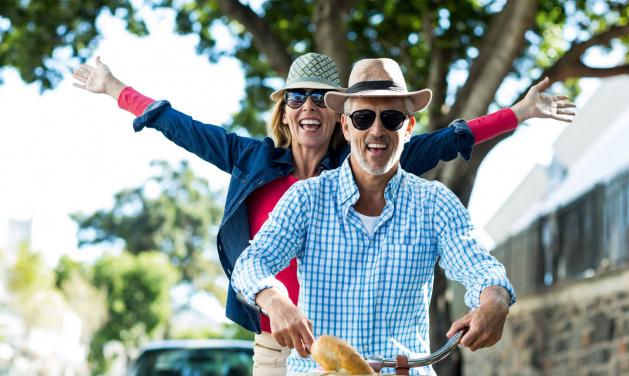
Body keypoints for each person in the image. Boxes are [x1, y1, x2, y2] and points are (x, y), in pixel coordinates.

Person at [72, 53, 573, 375]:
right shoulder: (264, 168)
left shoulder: (403, 176)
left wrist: (519, 114)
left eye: (390, 118)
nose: (376, 129)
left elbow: (451, 142)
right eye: (297, 96)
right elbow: (179, 126)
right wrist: (116, 87)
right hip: (285, 342)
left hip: (397, 362)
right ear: (289, 110)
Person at [232, 58, 518, 375]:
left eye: (391, 118)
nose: (376, 130)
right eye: (363, 117)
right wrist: (274, 300)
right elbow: (251, 262)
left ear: (409, 127)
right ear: (345, 125)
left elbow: (478, 265)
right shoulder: (307, 198)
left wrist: (495, 300)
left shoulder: (434, 203)